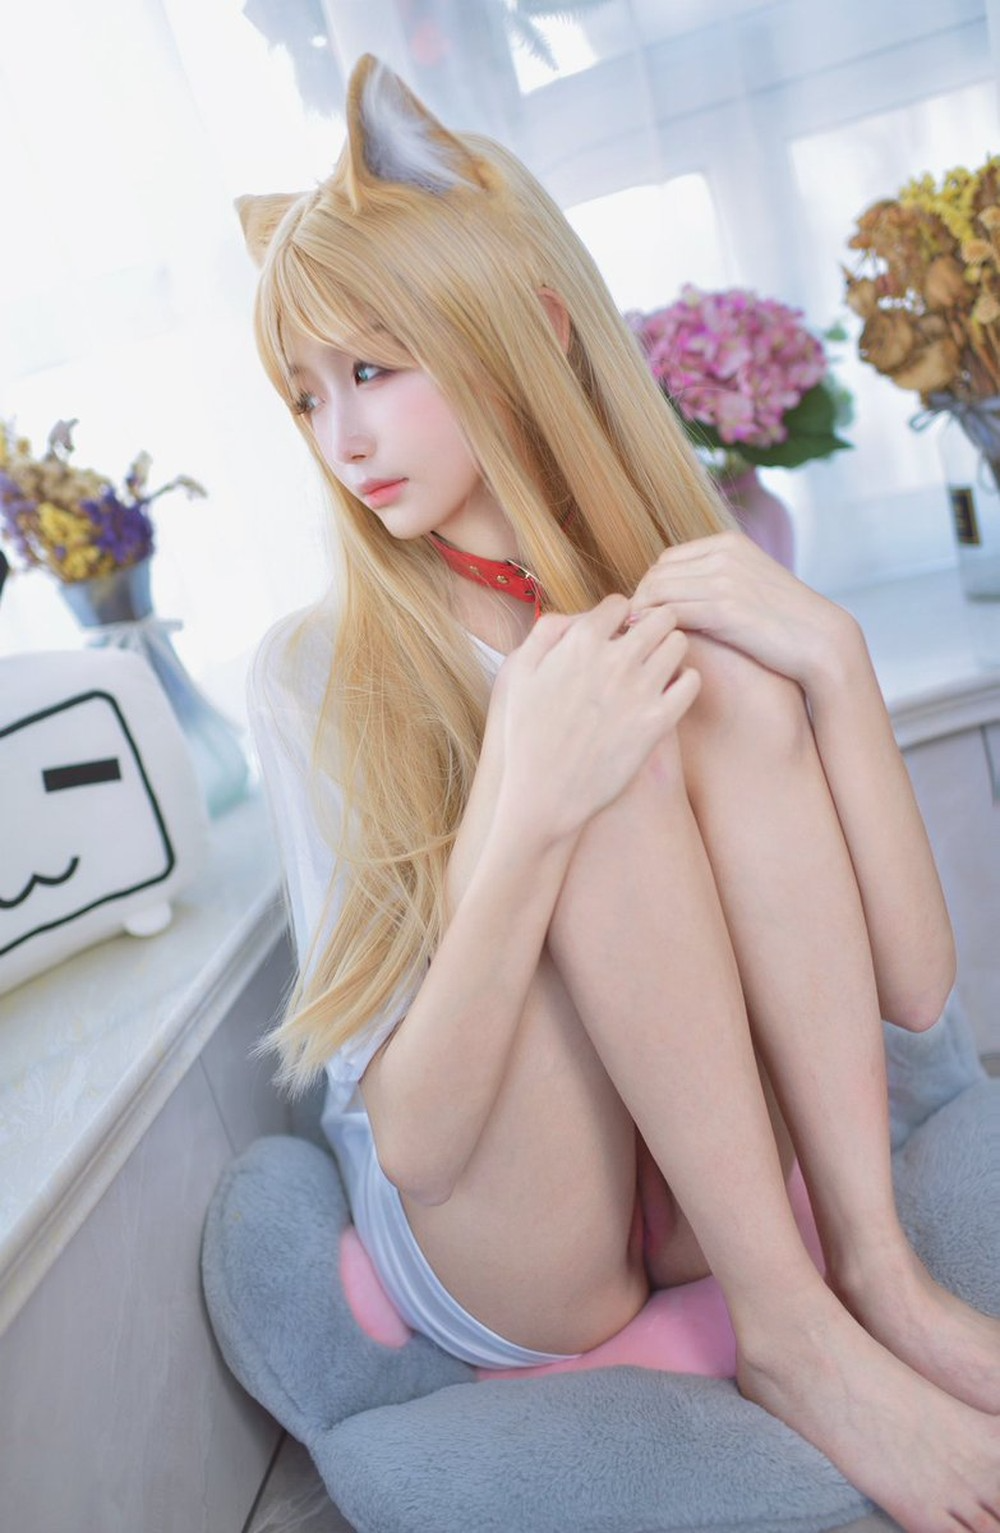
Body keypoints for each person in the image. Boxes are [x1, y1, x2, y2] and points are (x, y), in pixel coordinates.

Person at [240, 53, 1000, 1533]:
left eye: (373, 370)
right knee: (599, 745)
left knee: (695, 689)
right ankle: (794, 1341)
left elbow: (918, 1006)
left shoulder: (680, 570)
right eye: (306, 396)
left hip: (700, 1183)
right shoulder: (317, 672)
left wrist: (837, 669)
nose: (342, 439)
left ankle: (879, 1280)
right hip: (501, 1223)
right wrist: (528, 807)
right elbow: (416, 1144)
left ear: (529, 327)